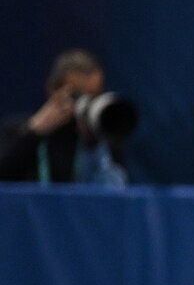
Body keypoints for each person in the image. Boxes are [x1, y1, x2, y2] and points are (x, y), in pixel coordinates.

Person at [0, 49, 131, 187]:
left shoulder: (104, 138)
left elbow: (116, 194)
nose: (85, 103)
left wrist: (94, 145)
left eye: (93, 96)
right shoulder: (15, 131)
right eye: (78, 95)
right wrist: (32, 134)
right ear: (53, 89)